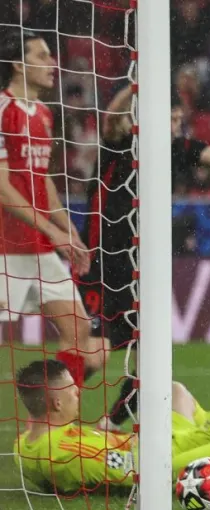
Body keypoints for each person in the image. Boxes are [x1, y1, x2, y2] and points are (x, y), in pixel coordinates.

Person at [79, 85, 210, 432]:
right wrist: (138, 85)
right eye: (170, 117)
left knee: (148, 354)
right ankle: (52, 405)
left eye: (178, 118)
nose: (175, 124)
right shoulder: (120, 144)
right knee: (97, 350)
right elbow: (111, 120)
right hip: (102, 262)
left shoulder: (177, 148)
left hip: (141, 264)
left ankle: (108, 425)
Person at [14, 346, 210, 495]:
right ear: (55, 403)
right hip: (176, 453)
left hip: (156, 442)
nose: (78, 391)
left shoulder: (24, 446)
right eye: (71, 389)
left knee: (173, 391)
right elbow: (158, 471)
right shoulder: (70, 455)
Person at [0, 29, 107, 386]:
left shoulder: (44, 114)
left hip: (40, 245)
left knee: (82, 337)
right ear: (18, 64)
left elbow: (40, 178)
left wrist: (70, 231)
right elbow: (2, 187)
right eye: (42, 56)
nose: (52, 63)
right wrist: (53, 231)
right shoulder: (2, 111)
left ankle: (53, 427)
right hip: (5, 245)